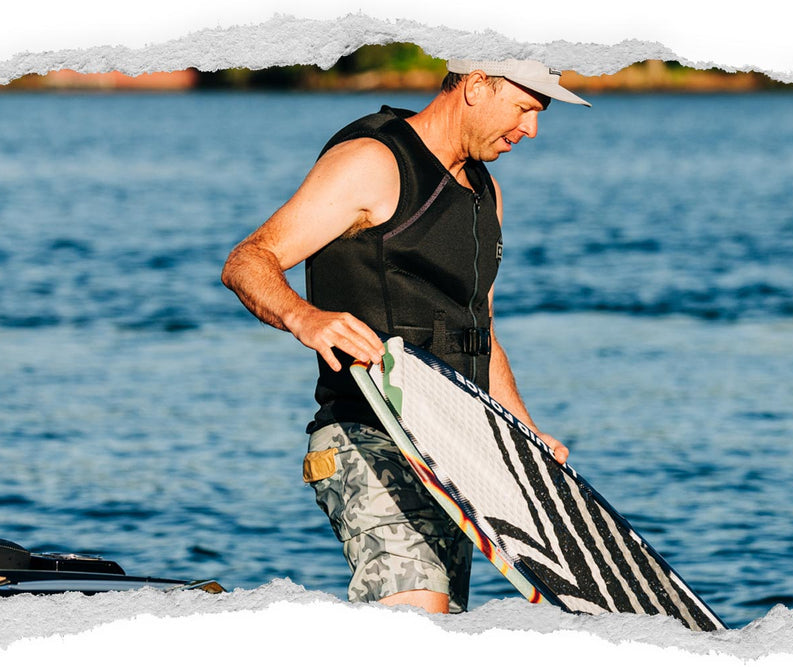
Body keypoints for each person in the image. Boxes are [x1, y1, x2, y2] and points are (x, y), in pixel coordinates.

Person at [221, 59, 590, 614]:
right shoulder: (374, 162)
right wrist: (305, 317)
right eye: (524, 108)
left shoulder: (485, 195)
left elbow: (478, 335)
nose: (531, 130)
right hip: (367, 434)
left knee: (441, 626)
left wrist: (525, 435)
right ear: (475, 85)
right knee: (416, 614)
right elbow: (249, 260)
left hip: (455, 456)